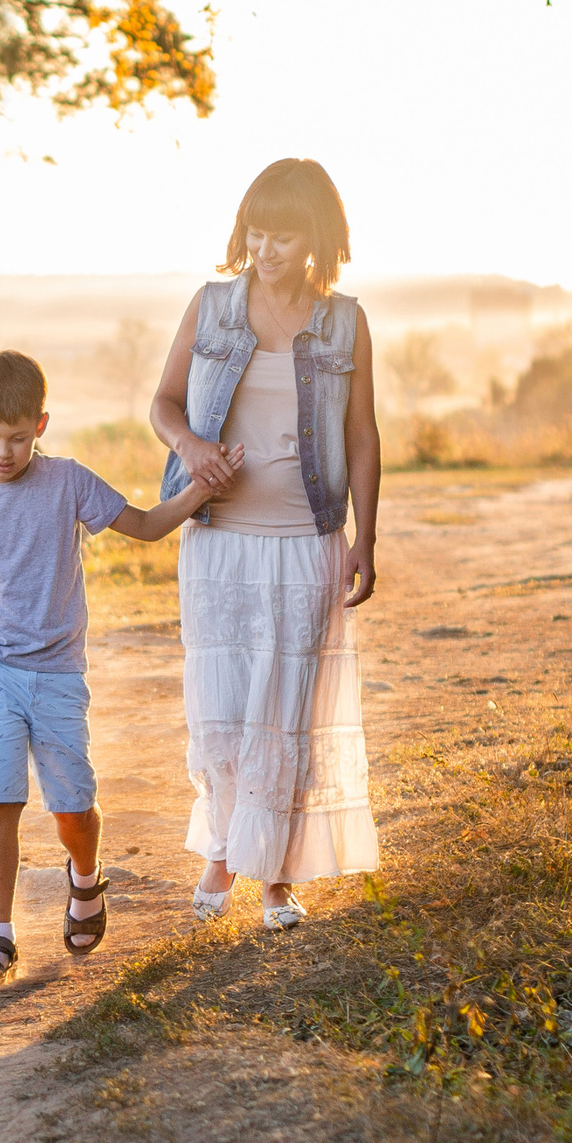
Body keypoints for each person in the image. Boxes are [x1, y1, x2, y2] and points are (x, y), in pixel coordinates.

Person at [0, 350, 234, 987]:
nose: (3, 452)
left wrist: (201, 489)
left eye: (17, 437)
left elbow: (142, 525)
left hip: (58, 671)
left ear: (41, 424)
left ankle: (84, 879)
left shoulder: (67, 482)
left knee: (71, 805)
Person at [148, 158, 383, 931]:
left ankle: (275, 876)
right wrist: (188, 447)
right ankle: (223, 850)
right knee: (222, 709)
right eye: (256, 229)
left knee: (288, 713)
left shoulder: (345, 321)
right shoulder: (213, 306)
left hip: (308, 539)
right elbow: (165, 404)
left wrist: (364, 539)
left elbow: (361, 436)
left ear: (315, 237)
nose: (265, 247)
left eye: (283, 233)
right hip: (218, 541)